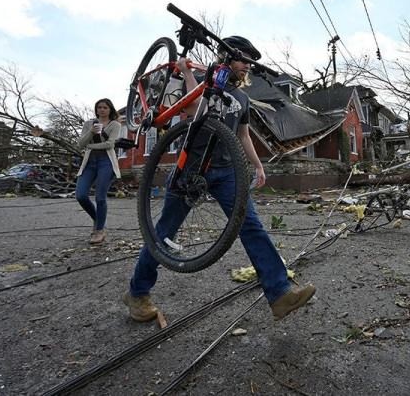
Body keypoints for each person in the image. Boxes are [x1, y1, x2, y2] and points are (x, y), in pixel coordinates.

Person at [123, 36, 315, 322]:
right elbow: (191, 108)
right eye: (242, 60)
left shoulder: (242, 98)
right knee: (163, 232)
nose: (246, 67)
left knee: (251, 226)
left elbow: (243, 134)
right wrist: (188, 73)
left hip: (227, 170)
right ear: (226, 57)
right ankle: (137, 293)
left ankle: (280, 294)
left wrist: (258, 166)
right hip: (192, 168)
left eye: (250, 63)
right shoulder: (204, 80)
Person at [76, 98, 122, 244]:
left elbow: (109, 145)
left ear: (110, 110)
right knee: (81, 195)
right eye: (99, 107)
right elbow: (81, 144)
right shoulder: (89, 124)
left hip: (106, 162)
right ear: (96, 109)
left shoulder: (115, 125)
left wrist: (91, 146)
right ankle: (98, 218)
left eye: (105, 107)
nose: (102, 110)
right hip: (89, 162)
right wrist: (91, 132)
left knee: (100, 197)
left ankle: (99, 231)